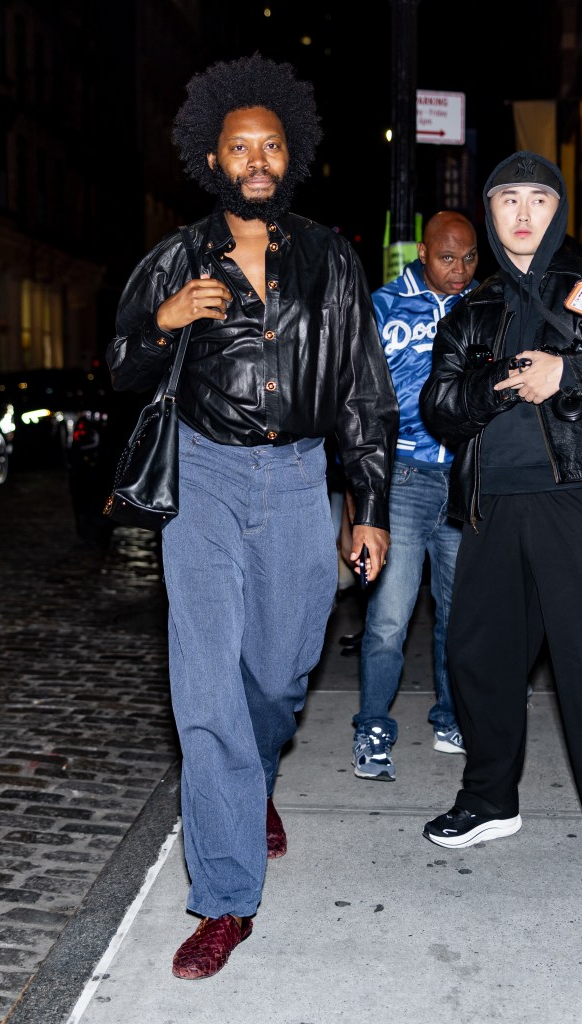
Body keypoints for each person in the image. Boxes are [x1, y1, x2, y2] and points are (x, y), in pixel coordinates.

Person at [106, 53, 399, 978]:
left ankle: (252, 776)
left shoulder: (329, 257)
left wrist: (370, 507)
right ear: (213, 159)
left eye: (272, 145)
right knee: (205, 692)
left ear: (290, 156)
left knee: (276, 675)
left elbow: (363, 393)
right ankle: (224, 899)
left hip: (300, 478)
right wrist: (163, 323)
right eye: (242, 147)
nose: (258, 159)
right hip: (202, 482)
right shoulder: (174, 255)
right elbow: (119, 367)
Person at [419, 151, 582, 848]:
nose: (521, 214)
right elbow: (438, 405)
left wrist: (566, 371)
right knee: (477, 657)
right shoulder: (472, 309)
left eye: (536, 200)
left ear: (557, 210)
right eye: (506, 200)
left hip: (570, 503)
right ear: (488, 214)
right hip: (490, 506)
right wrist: (495, 387)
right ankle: (489, 800)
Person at [345, 212, 479, 781]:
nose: (459, 269)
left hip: (462, 478)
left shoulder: (481, 307)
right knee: (390, 617)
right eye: (448, 257)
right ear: (422, 253)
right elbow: (353, 397)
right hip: (400, 475)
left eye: (470, 257)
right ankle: (373, 727)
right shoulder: (382, 305)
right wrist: (357, 499)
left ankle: (450, 716)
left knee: (458, 613)